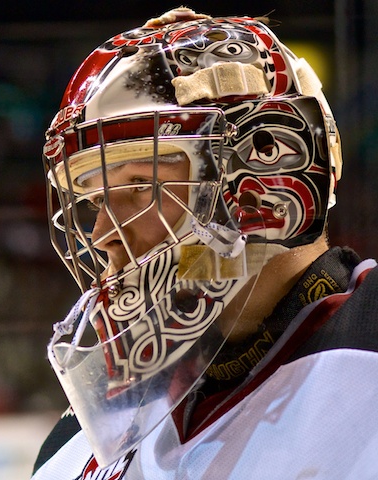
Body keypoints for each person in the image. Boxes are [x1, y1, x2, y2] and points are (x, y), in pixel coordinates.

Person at [32, 7, 378, 479]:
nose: (103, 235)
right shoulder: (76, 443)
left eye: (141, 186)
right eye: (94, 202)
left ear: (264, 163)